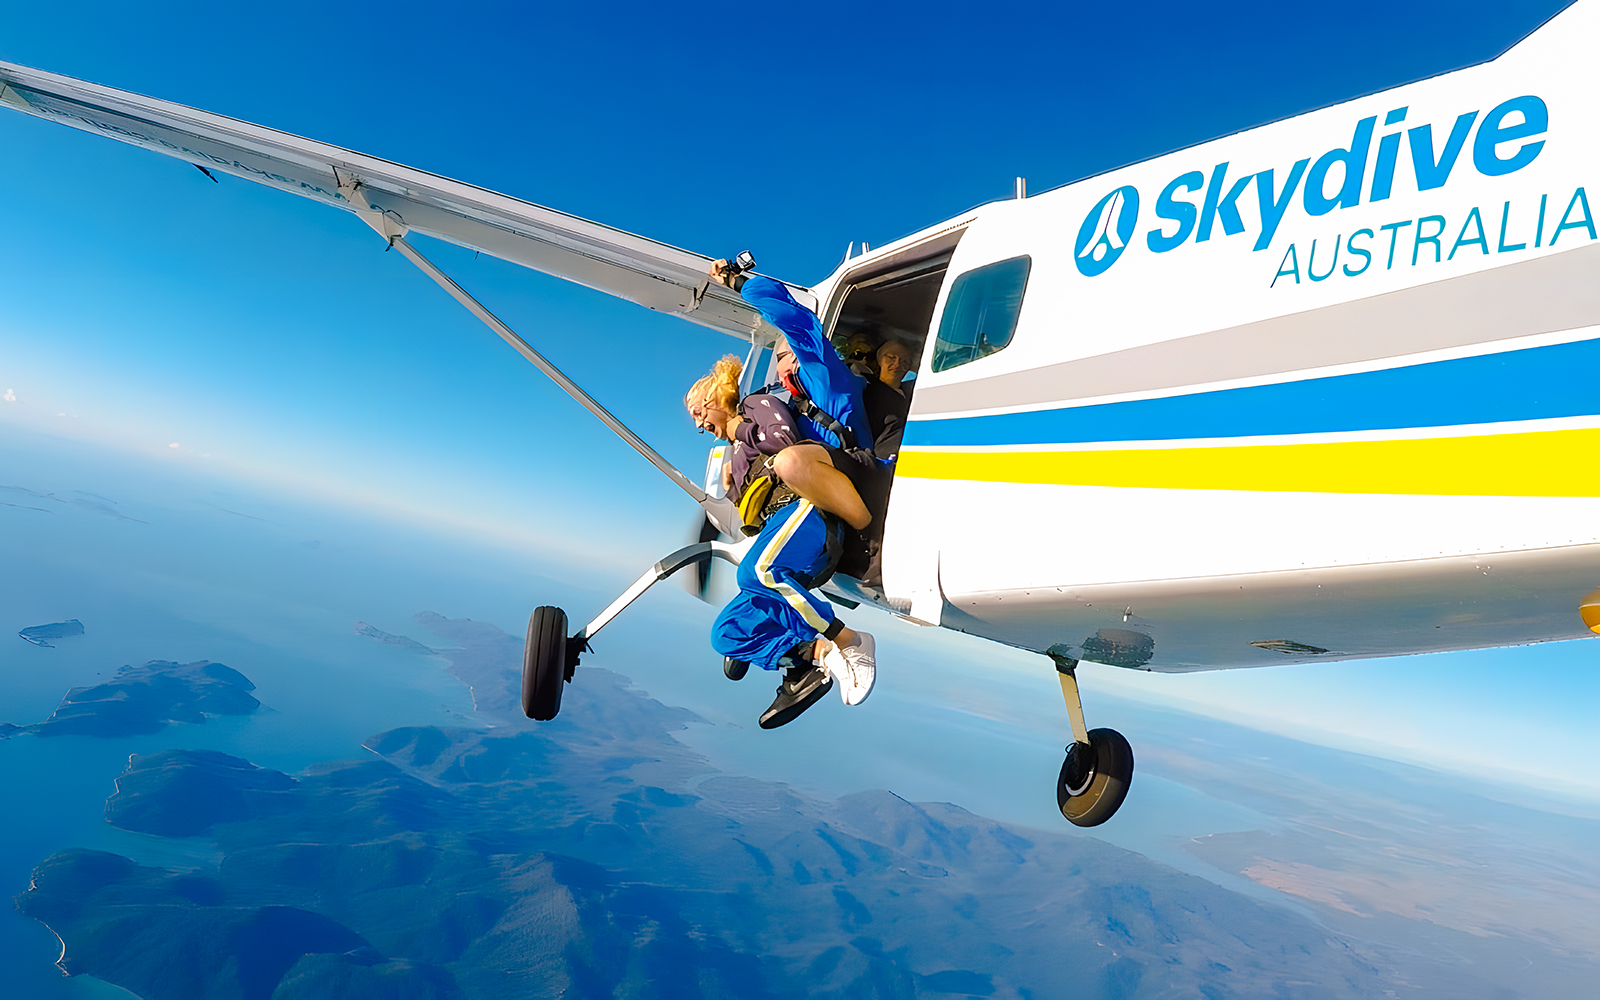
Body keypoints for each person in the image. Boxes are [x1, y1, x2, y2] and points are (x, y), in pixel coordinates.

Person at [683, 354, 877, 728]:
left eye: (698, 412)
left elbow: (783, 438)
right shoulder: (736, 455)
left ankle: (850, 641)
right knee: (726, 634)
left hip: (805, 508)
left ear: (715, 398)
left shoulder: (755, 405)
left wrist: (739, 434)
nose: (698, 424)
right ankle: (812, 659)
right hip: (778, 528)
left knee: (755, 574)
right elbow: (750, 512)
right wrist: (733, 483)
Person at [713, 260, 892, 580]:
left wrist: (736, 282)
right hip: (840, 484)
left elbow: (795, 319)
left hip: (865, 479)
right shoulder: (796, 405)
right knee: (757, 574)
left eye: (781, 356)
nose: (778, 369)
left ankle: (874, 537)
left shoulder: (826, 377)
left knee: (790, 464)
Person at [862, 338, 914, 459]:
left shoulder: (913, 394)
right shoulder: (867, 392)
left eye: (904, 361)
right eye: (891, 357)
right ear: (880, 360)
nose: (897, 364)